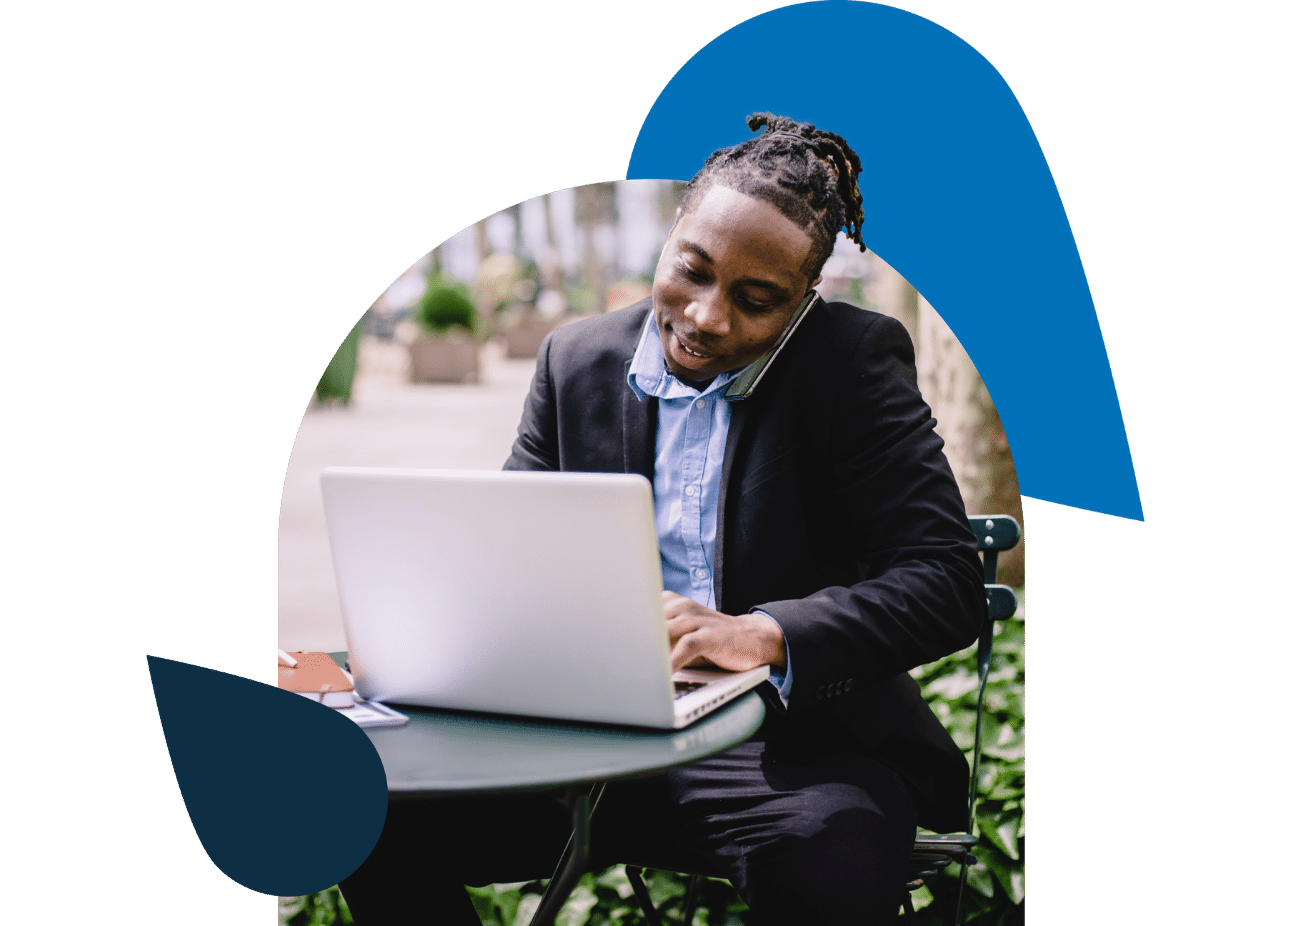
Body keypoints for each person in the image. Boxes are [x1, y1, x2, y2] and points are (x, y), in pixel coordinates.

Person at [340, 113, 986, 925]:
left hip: (783, 752)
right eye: (693, 271)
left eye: (758, 300)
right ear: (674, 229)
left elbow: (944, 580)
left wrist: (764, 633)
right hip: (578, 745)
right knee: (360, 816)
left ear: (803, 298)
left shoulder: (851, 365)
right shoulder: (574, 360)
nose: (709, 317)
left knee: (834, 867)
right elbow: (520, 554)